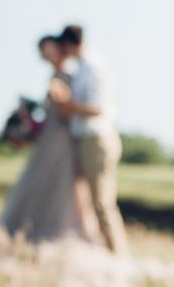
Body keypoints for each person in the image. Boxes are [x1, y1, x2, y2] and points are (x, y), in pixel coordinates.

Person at [0, 36, 92, 261]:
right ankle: (28, 230)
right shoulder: (57, 76)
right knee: (38, 183)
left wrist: (60, 102)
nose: (49, 56)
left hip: (61, 139)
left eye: (51, 50)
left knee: (58, 185)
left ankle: (54, 229)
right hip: (48, 138)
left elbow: (68, 111)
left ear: (60, 49)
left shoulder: (71, 76)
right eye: (45, 52)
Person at [50, 25, 128, 254]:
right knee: (86, 202)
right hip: (85, 139)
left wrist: (66, 104)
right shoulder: (82, 67)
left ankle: (119, 255)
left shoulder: (93, 67)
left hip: (96, 140)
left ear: (68, 45)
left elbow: (97, 109)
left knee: (102, 203)